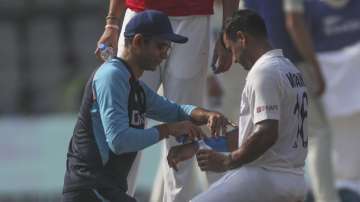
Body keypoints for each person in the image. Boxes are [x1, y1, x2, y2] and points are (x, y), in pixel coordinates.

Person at [61, 10, 230, 202]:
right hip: (90, 191)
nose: (164, 55)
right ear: (138, 41)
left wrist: (207, 115)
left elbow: (175, 110)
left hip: (105, 191)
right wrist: (168, 129)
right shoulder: (112, 77)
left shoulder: (135, 85)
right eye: (161, 47)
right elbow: (119, 141)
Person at [167, 9, 309, 202]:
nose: (233, 59)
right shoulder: (290, 70)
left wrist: (227, 161)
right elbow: (252, 133)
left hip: (264, 178)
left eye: (230, 48)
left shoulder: (264, 73)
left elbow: (266, 133)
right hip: (296, 182)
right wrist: (197, 147)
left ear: (241, 38)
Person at [241, 1, 340, 201]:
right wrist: (314, 65)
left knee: (269, 139)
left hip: (262, 68)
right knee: (317, 134)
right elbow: (293, 22)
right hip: (291, 63)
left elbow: (243, 27)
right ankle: (326, 197)